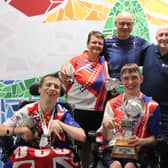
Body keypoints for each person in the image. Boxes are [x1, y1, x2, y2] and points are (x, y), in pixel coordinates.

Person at [0, 72, 86, 167]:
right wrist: (19, 130)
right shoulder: (27, 110)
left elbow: (81, 136)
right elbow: (2, 130)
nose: (52, 88)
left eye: (56, 87)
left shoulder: (63, 112)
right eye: (48, 85)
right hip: (30, 151)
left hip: (56, 151)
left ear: (59, 94)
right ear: (39, 89)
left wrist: (60, 124)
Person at [60, 30, 109, 168]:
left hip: (98, 110)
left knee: (93, 145)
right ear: (87, 44)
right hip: (78, 110)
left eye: (100, 43)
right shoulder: (75, 62)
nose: (97, 46)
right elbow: (64, 85)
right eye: (94, 42)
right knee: (79, 145)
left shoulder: (104, 62)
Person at [101, 63, 160, 168]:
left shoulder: (152, 105)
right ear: (122, 81)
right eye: (126, 78)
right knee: (115, 165)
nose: (130, 82)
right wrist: (106, 126)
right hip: (114, 147)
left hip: (139, 149)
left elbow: (155, 139)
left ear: (141, 79)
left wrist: (141, 141)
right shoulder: (112, 103)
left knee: (130, 166)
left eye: (134, 78)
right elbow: (106, 139)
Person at [141, 25, 168, 168]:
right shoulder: (148, 50)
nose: (164, 38)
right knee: (146, 146)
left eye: (167, 35)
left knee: (164, 146)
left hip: (165, 112)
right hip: (144, 109)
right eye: (161, 35)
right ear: (156, 38)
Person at [103, 11, 151, 79]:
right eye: (122, 24)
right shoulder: (106, 43)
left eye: (128, 24)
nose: (125, 27)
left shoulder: (140, 42)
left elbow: (157, 49)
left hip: (133, 86)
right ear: (116, 24)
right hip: (113, 87)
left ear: (133, 24)